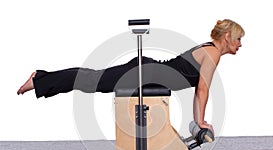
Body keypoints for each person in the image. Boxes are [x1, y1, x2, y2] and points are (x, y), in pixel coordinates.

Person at [17, 19, 245, 132]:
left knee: (91, 78)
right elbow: (203, 90)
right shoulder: (213, 53)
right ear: (226, 36)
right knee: (90, 80)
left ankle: (42, 77)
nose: (240, 44)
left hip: (147, 70)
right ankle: (39, 79)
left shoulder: (210, 51)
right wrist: (201, 121)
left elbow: (199, 91)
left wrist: (198, 121)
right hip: (145, 73)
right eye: (238, 39)